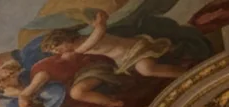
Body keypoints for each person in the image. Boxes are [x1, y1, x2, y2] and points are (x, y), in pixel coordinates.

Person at [44, 11, 182, 80]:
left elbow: (98, 34)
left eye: (57, 48)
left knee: (146, 70)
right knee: (145, 70)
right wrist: (99, 24)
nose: (58, 52)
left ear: (64, 40)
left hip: (134, 49)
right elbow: (96, 33)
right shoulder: (79, 47)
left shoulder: (82, 44)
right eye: (54, 51)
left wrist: (99, 22)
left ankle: (183, 75)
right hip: (126, 59)